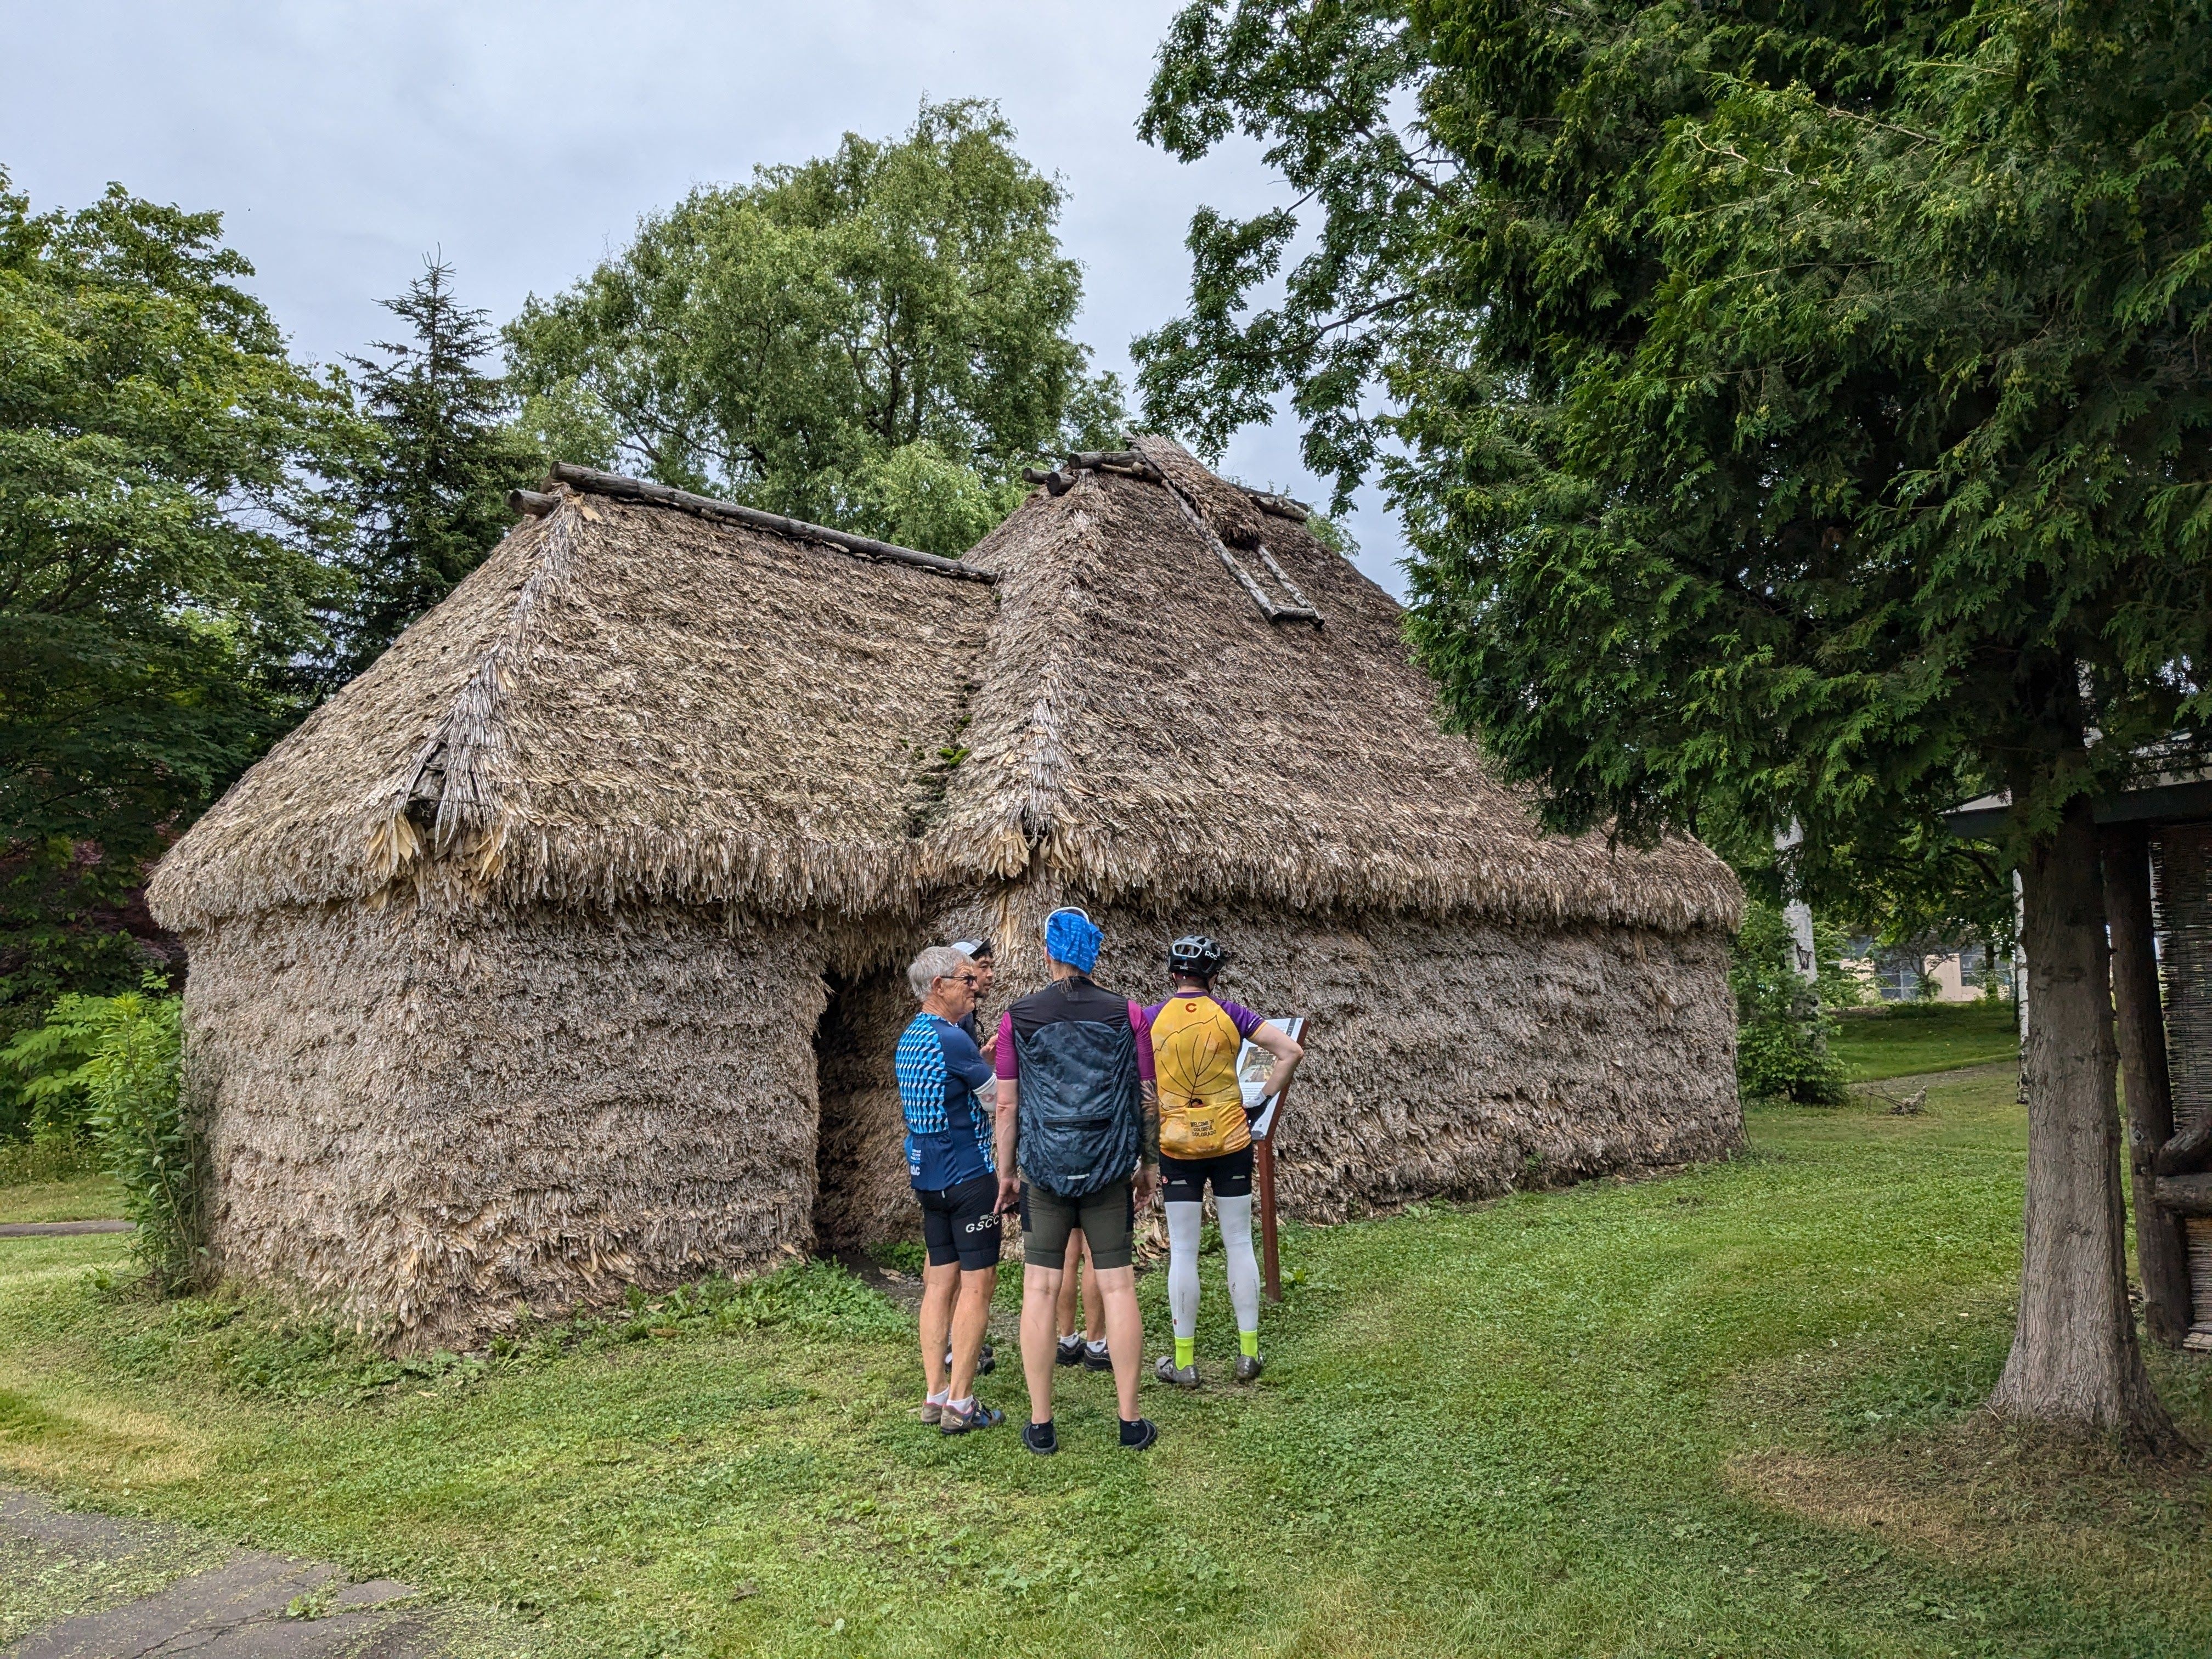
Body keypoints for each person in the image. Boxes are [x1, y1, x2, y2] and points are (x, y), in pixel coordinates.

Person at [991, 907, 1161, 1454]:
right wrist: (1149, 1163)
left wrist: (1006, 1172)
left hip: (1044, 1170)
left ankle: (1041, 1424)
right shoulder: (1128, 1013)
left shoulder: (1017, 1018)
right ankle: (1130, 1421)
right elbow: (1146, 1097)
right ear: (1094, 955)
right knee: (1118, 1286)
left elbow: (1007, 1105)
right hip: (1109, 1170)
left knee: (1039, 1289)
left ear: (1048, 952)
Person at [1146, 934, 1303, 1388]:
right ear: (1213, 977)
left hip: (1176, 1145)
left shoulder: (1151, 1018)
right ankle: (1248, 1353)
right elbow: (1291, 1051)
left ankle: (1185, 1362)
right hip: (1231, 1138)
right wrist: (1261, 1101)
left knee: (1183, 1250)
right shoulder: (1231, 1013)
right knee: (1238, 1241)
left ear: (1174, 974)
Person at [895, 944, 1003, 1435]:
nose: (974, 986)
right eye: (965, 979)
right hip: (970, 1176)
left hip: (928, 1177)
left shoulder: (910, 1038)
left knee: (938, 1285)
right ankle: (961, 1404)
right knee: (977, 1287)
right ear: (938, 987)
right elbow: (996, 1101)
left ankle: (935, 1392)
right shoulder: (952, 1039)